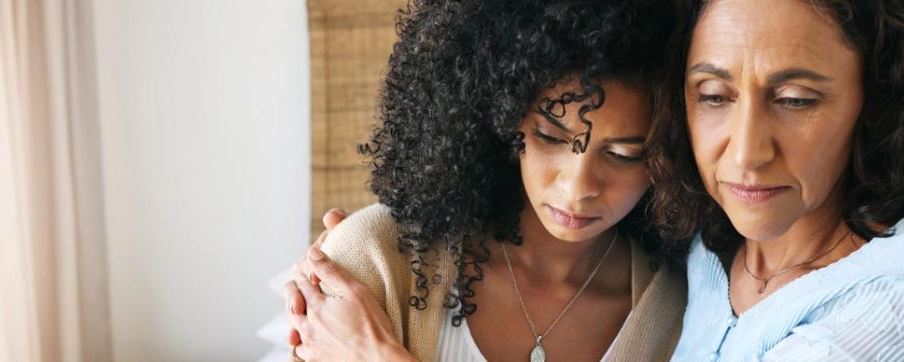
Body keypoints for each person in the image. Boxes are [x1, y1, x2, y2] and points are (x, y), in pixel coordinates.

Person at [283, 0, 687, 360]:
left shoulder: (676, 314)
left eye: (624, 155)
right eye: (550, 137)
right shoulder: (377, 256)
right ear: (504, 116)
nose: (578, 188)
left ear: (670, 158)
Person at [649, 0, 904, 360]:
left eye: (795, 100)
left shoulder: (902, 316)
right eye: (714, 96)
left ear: (879, 100)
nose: (745, 154)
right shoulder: (701, 231)